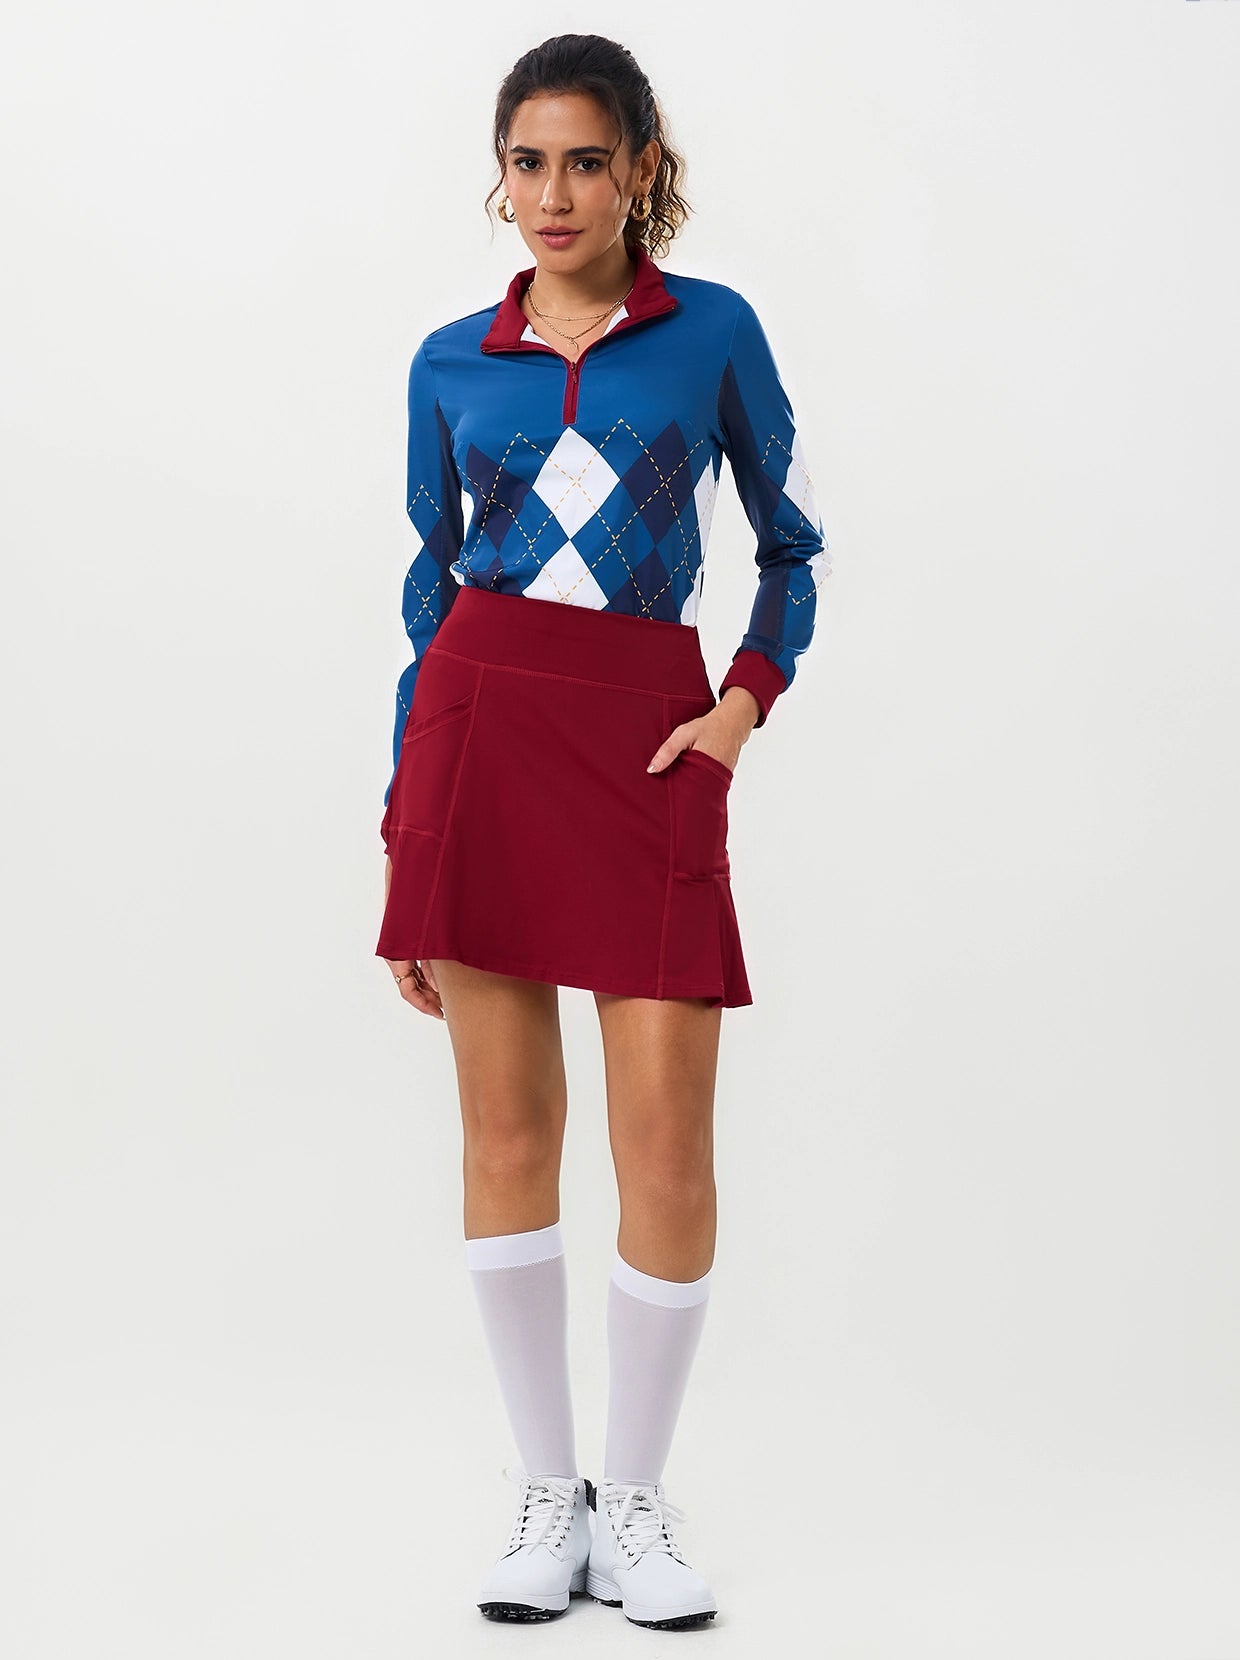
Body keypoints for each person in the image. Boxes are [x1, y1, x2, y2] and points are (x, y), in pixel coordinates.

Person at [375, 32, 830, 1630]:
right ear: (499, 176)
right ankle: (546, 1492)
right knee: (507, 1138)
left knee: (668, 1146)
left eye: (585, 161)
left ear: (640, 168)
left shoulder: (712, 334)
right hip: (482, 737)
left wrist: (737, 711)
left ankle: (635, 1498)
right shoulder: (451, 361)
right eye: (528, 162)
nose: (554, 193)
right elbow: (429, 594)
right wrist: (404, 816)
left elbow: (790, 549)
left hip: (646, 741)